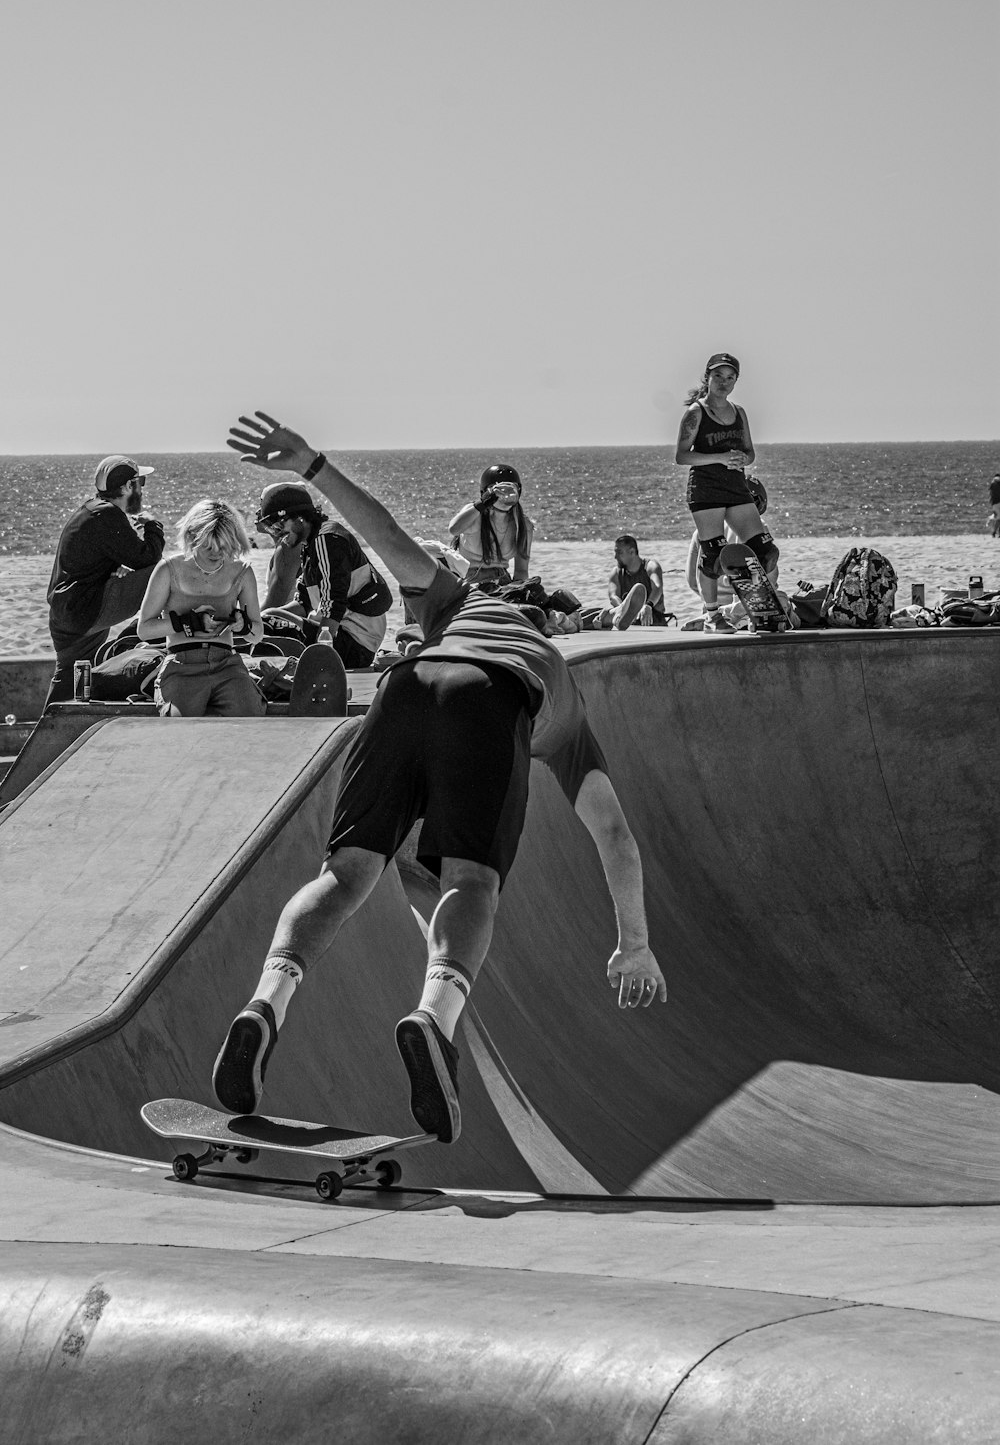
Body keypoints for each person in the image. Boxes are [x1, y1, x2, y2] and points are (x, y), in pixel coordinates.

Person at [213, 411, 666, 1144]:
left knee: (348, 872)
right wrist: (634, 942)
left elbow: (390, 541)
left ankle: (267, 1000)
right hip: (493, 699)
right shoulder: (566, 705)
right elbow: (614, 834)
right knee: (472, 882)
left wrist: (313, 468)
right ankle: (435, 1017)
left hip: (405, 686)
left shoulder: (459, 602)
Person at [45, 455, 165, 706]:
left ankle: (55, 728)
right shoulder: (107, 515)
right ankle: (174, 640)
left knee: (72, 677)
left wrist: (116, 569)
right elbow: (148, 557)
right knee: (164, 571)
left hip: (68, 613)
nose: (141, 488)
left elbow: (100, 556)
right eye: (140, 482)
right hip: (86, 610)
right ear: (127, 487)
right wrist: (153, 526)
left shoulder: (90, 510)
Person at [675, 353, 779, 633]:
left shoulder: (739, 412)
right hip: (706, 490)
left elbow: (750, 452)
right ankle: (712, 616)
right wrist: (719, 458)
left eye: (730, 377)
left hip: (735, 488)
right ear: (707, 377)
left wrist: (742, 460)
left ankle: (759, 610)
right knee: (712, 555)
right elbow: (682, 457)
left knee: (765, 551)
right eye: (718, 376)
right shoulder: (696, 413)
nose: (724, 382)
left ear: (736, 381)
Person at [137, 499, 266, 717]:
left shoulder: (242, 571)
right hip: (181, 665)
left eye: (224, 547)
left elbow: (257, 634)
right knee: (180, 724)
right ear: (191, 538)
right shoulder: (168, 569)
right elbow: (144, 630)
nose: (216, 554)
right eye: (208, 547)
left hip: (227, 664)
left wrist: (242, 625)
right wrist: (188, 622)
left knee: (251, 717)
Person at [255, 482, 391, 669]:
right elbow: (303, 603)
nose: (278, 533)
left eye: (278, 525)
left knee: (271, 631)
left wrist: (322, 656)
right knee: (266, 621)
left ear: (300, 518)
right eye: (271, 529)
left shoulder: (327, 540)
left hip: (353, 643)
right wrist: (258, 619)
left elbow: (333, 605)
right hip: (342, 637)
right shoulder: (310, 544)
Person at [449, 464, 534, 585]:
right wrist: (483, 503)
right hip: (468, 579)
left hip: (501, 580)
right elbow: (454, 529)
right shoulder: (474, 513)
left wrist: (518, 591)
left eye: (510, 489)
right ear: (486, 492)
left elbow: (521, 570)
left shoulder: (522, 524)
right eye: (497, 490)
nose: (503, 494)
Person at [609, 536, 667, 626]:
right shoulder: (616, 573)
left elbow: (657, 587)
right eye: (615, 552)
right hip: (630, 626)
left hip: (655, 623)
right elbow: (613, 596)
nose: (615, 557)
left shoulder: (651, 567)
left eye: (619, 552)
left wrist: (648, 605)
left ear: (632, 552)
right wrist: (623, 609)